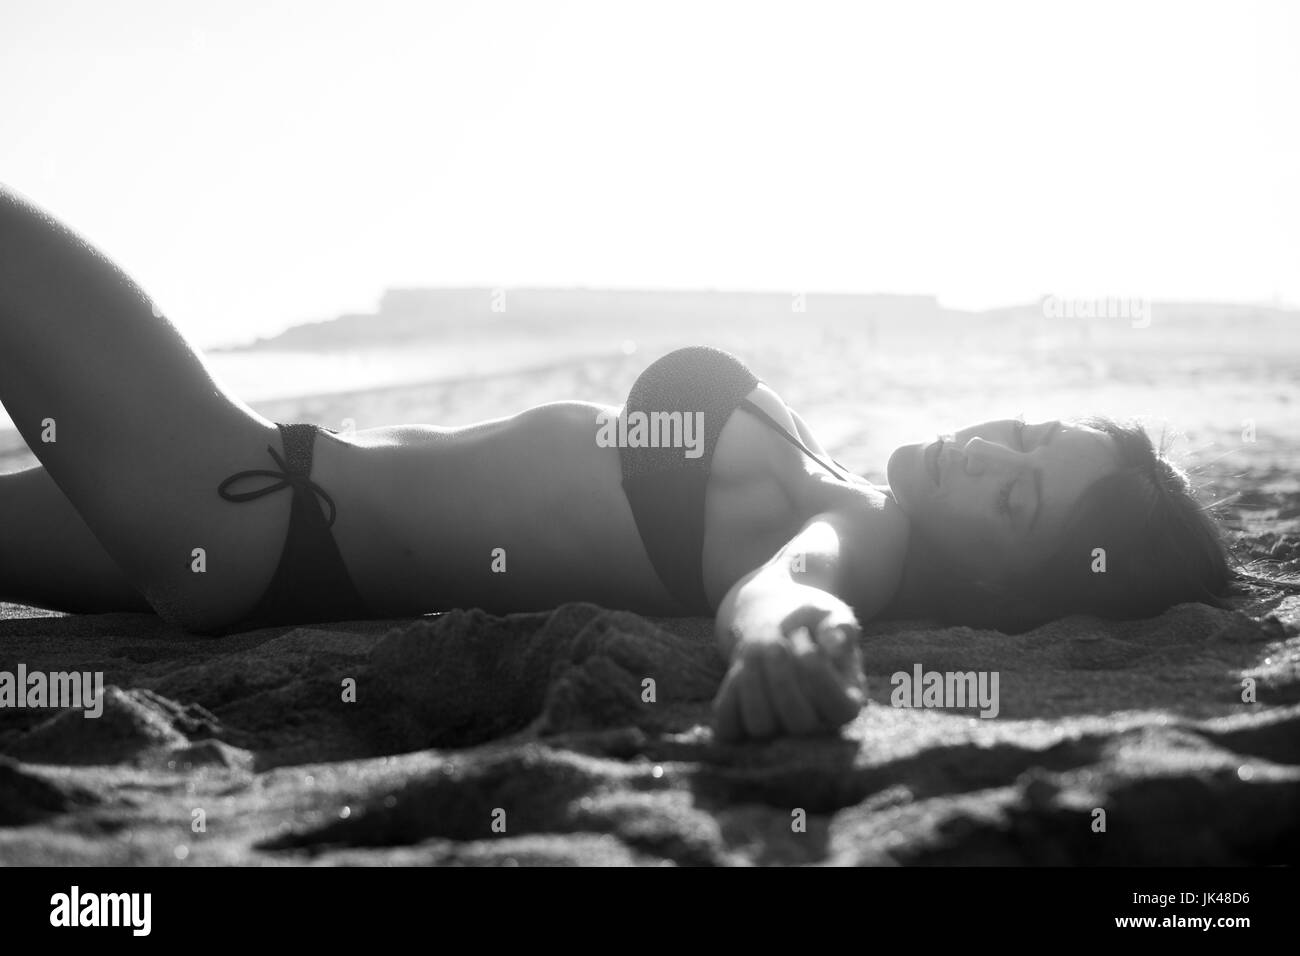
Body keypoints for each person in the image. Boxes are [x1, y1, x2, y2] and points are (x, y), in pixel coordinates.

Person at [0, 184, 1232, 741]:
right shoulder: (833, 467)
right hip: (254, 540)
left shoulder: (866, 525)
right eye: (1022, 435)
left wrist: (783, 634)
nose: (984, 451)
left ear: (1006, 589)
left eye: (1014, 495)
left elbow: (795, 579)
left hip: (249, 500)